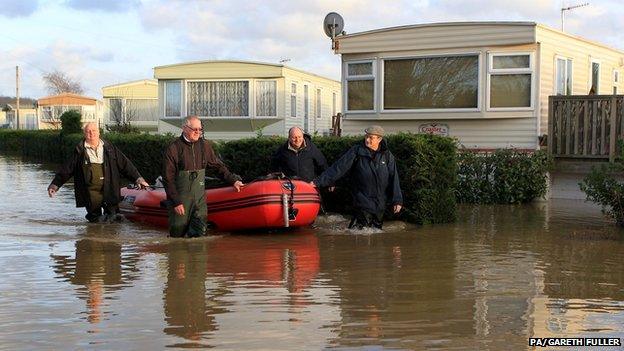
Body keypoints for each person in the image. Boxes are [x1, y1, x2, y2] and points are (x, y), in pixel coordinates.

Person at [47, 122, 149, 222]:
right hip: (90, 193)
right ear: (84, 134)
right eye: (88, 131)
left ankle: (109, 237)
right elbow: (67, 170)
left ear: (99, 132)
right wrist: (55, 185)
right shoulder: (79, 151)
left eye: (94, 131)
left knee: (114, 218)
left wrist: (138, 179)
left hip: (110, 189)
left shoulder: (110, 148)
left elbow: (125, 165)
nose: (92, 133)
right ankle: (93, 237)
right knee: (95, 221)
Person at [163, 116, 244, 238]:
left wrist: (233, 180)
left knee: (200, 236)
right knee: (177, 238)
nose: (198, 132)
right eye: (194, 129)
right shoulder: (173, 148)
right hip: (180, 200)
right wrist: (176, 202)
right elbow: (168, 178)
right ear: (184, 128)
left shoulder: (204, 146)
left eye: (200, 129)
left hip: (199, 200)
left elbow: (218, 167)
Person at [312, 125, 403, 229]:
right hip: (362, 202)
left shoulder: (387, 156)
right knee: (361, 234)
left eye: (371, 137)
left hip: (380, 205)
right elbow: (338, 169)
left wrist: (397, 201)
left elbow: (394, 179)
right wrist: (317, 182)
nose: (367, 140)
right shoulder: (356, 152)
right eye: (366, 136)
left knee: (376, 235)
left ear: (379, 139)